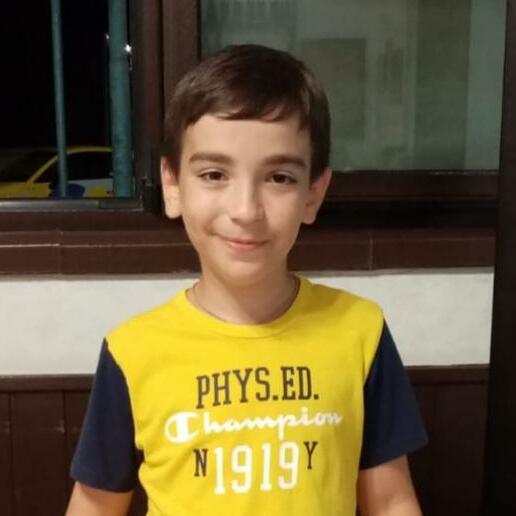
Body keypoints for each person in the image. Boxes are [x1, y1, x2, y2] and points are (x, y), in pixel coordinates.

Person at [66, 44, 428, 516]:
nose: (246, 210)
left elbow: (391, 500)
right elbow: (94, 506)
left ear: (314, 193)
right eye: (214, 174)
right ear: (173, 185)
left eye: (279, 178)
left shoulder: (360, 330)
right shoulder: (132, 350)